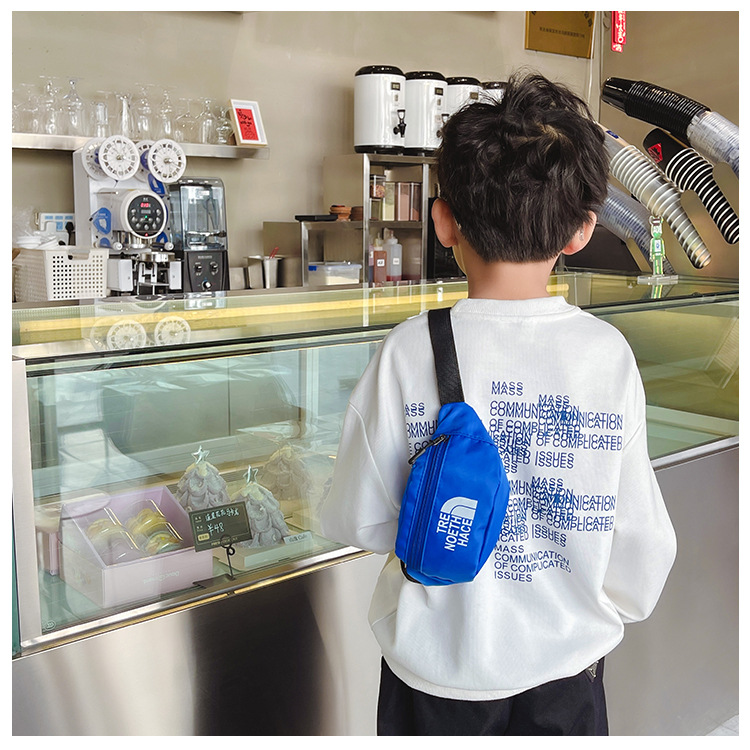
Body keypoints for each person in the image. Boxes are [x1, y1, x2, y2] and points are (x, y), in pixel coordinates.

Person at [320, 70, 677, 736]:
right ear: (581, 231)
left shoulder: (408, 349)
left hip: (435, 669)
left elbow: (359, 517)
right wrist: (589, 613)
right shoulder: (605, 353)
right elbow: (640, 542)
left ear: (444, 221)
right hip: (565, 671)